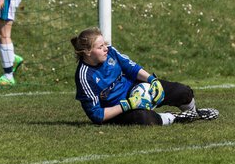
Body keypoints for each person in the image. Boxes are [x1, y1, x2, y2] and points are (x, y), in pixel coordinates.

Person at [71, 27, 219, 126]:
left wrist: (152, 80)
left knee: (183, 92)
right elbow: (96, 116)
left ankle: (194, 113)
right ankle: (176, 118)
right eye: (100, 47)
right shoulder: (85, 76)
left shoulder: (110, 51)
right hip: (120, 110)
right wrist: (128, 104)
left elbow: (131, 68)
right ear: (87, 52)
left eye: (105, 44)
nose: (105, 49)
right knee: (144, 118)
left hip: (137, 89)